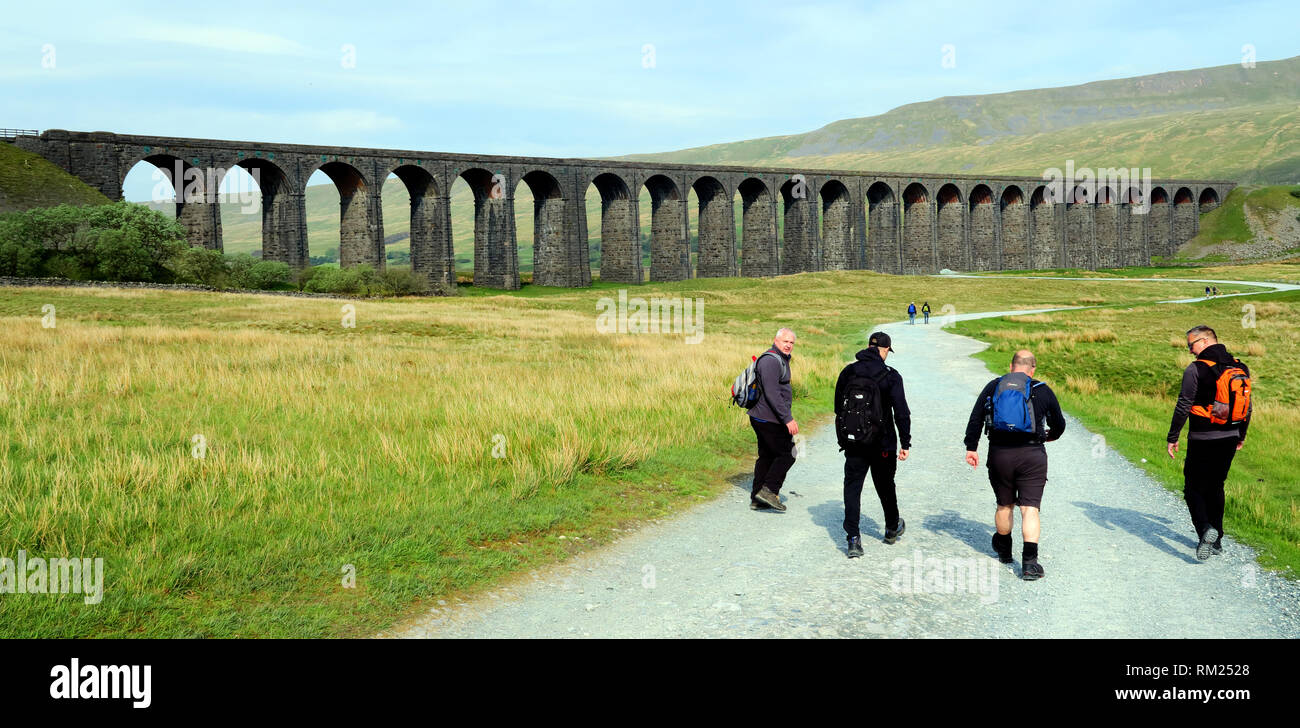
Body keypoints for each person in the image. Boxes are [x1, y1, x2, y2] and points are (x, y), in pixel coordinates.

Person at [963, 349, 1066, 580]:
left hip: (1000, 454)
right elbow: (1059, 423)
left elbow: (976, 418)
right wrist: (1050, 436)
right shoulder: (1042, 389)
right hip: (1032, 455)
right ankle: (1029, 564)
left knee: (1004, 505)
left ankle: (1005, 551)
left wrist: (971, 447)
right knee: (1029, 509)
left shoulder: (994, 386)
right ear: (1033, 369)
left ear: (1011, 367)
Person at [1167, 325, 1251, 560]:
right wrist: (1241, 435)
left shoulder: (1195, 369)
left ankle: (1206, 529)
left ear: (1203, 342)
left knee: (1193, 487)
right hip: (1230, 437)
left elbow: (1184, 405)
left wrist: (1173, 437)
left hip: (1202, 437)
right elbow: (1248, 405)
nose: (1190, 351)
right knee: (1216, 486)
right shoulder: (1240, 367)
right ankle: (1218, 541)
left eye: (1190, 346)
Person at [834, 332, 912, 557]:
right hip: (883, 443)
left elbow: (839, 408)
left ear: (868, 346)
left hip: (855, 442)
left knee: (853, 487)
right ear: (886, 350)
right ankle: (891, 528)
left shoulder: (849, 371)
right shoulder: (891, 375)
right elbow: (902, 413)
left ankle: (853, 539)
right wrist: (905, 442)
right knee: (886, 485)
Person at [748, 328, 798, 512]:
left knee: (767, 455)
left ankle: (758, 498)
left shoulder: (779, 359)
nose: (788, 345)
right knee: (789, 453)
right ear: (775, 340)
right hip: (768, 418)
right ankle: (769, 490)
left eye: (791, 343)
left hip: (766, 417)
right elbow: (772, 393)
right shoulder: (770, 360)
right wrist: (788, 419)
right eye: (785, 341)